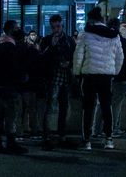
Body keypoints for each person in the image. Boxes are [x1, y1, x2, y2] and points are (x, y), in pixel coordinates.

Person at [73, 7, 124, 151]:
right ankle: (109, 139)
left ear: (91, 19)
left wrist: (77, 73)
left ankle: (87, 140)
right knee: (106, 106)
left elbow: (78, 56)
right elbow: (120, 57)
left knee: (88, 108)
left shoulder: (85, 34)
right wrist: (114, 72)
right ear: (102, 19)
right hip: (106, 76)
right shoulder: (114, 35)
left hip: (89, 75)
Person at [0, 20, 29, 154]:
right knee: (11, 114)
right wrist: (21, 77)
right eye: (16, 28)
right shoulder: (10, 47)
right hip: (8, 86)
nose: (18, 30)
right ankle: (11, 143)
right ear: (11, 30)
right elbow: (13, 67)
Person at [93, 18, 126, 138]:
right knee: (115, 104)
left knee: (101, 103)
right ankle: (112, 129)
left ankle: (96, 130)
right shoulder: (123, 42)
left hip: (103, 76)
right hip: (120, 78)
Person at [40, 14, 76, 151]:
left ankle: (62, 135)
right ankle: (47, 136)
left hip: (65, 77)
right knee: (50, 107)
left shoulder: (69, 40)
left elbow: (74, 55)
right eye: (54, 27)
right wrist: (52, 46)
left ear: (62, 25)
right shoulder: (47, 40)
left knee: (64, 107)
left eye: (59, 26)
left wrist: (69, 63)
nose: (57, 29)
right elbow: (42, 58)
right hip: (52, 77)